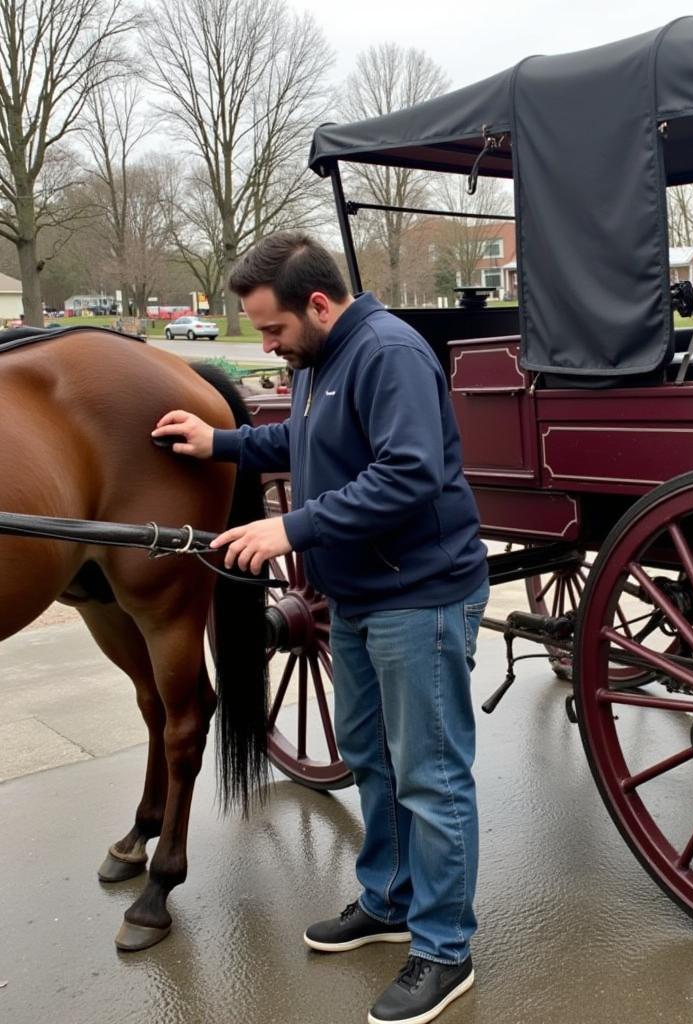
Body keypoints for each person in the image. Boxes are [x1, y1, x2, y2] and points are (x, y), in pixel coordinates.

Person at [152, 231, 489, 1024]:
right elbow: (304, 441)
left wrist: (290, 529)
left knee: (432, 777)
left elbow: (408, 475)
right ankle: (389, 899)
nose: (266, 344)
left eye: (272, 330)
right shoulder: (319, 361)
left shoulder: (388, 353)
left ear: (319, 303)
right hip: (362, 594)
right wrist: (222, 442)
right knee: (371, 755)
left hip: (421, 595)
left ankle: (445, 949)